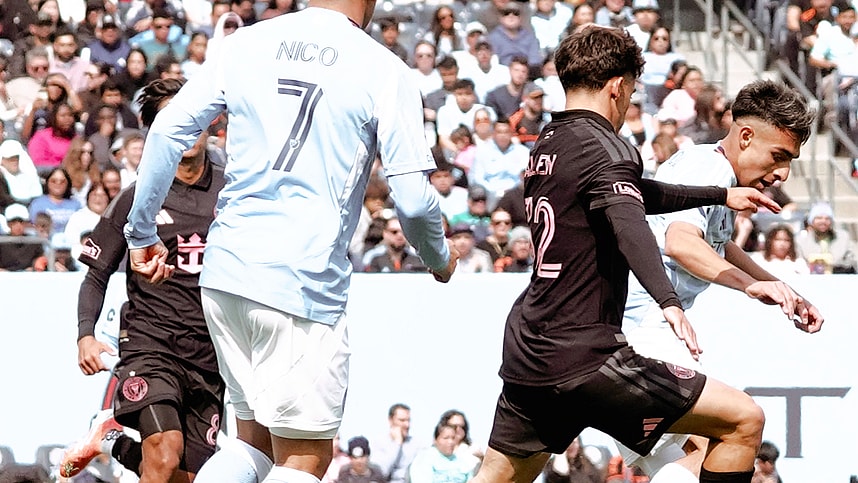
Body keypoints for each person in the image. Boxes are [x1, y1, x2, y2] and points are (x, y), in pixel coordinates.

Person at [122, 3, 459, 483]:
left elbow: (167, 129)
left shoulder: (245, 42)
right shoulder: (384, 69)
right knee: (303, 460)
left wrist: (141, 232)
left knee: (251, 446)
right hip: (300, 282)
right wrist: (439, 257)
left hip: (226, 273)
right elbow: (414, 199)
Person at [468, 25, 792, 483]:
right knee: (743, 421)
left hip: (529, 346)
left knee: (496, 477)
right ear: (618, 87)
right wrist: (668, 300)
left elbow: (635, 196)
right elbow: (631, 226)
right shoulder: (609, 145)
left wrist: (721, 195)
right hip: (587, 355)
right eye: (634, 91)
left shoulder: (549, 142)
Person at [617, 79, 823, 483]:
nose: (783, 173)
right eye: (779, 156)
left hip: (636, 333)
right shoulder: (709, 168)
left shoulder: (715, 171)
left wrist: (784, 290)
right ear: (745, 137)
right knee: (737, 428)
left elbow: (720, 243)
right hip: (642, 331)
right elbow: (680, 242)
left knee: (690, 464)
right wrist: (748, 286)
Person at [59, 78, 226, 481]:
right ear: (156, 133)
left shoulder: (234, 191)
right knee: (164, 455)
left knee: (183, 477)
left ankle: (111, 440)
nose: (186, 129)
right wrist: (86, 335)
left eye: (193, 118)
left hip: (212, 353)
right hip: (151, 343)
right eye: (173, 121)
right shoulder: (140, 196)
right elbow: (96, 274)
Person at [795, 201, 858, 273]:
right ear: (811, 221)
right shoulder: (801, 240)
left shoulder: (843, 237)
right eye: (819, 218)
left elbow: (853, 260)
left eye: (827, 218)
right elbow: (799, 264)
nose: (823, 221)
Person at [408, 422, 478, 483]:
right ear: (435, 440)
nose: (450, 442)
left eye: (453, 438)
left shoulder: (461, 462)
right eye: (446, 438)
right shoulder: (424, 458)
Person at [372, 403, 420, 483]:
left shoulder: (416, 445)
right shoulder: (379, 443)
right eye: (402, 420)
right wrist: (397, 444)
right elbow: (381, 473)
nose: (407, 425)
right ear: (391, 420)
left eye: (408, 420)